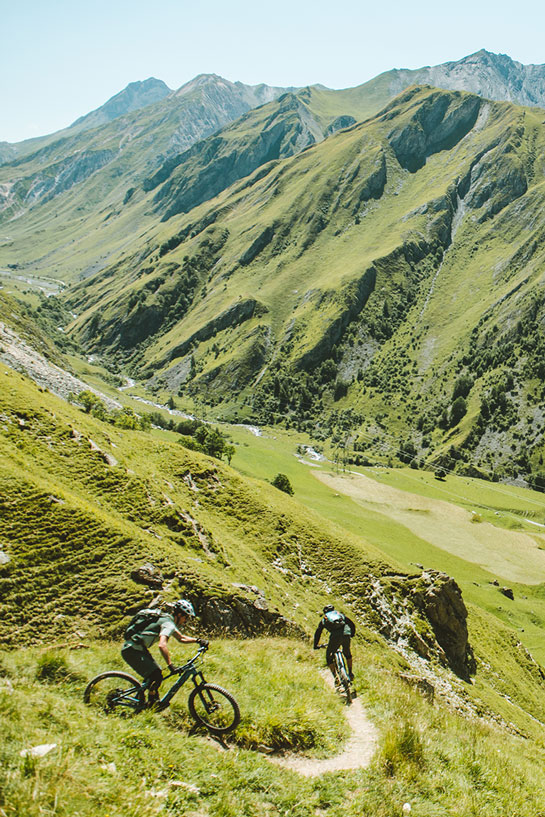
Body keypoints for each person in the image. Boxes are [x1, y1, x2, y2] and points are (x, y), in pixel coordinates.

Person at [121, 599, 207, 706]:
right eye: (186, 617)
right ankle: (151, 703)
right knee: (156, 675)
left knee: (155, 674)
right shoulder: (168, 624)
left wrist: (198, 640)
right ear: (179, 614)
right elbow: (162, 645)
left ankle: (147, 701)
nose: (186, 620)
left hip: (137, 648)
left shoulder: (167, 619)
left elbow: (181, 638)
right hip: (132, 650)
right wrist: (170, 665)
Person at [313, 604, 356, 681]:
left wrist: (315, 645)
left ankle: (336, 679)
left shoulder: (324, 619)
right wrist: (352, 634)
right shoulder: (339, 615)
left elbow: (318, 632)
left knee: (329, 657)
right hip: (346, 633)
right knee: (347, 653)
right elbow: (351, 624)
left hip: (335, 636)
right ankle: (350, 673)